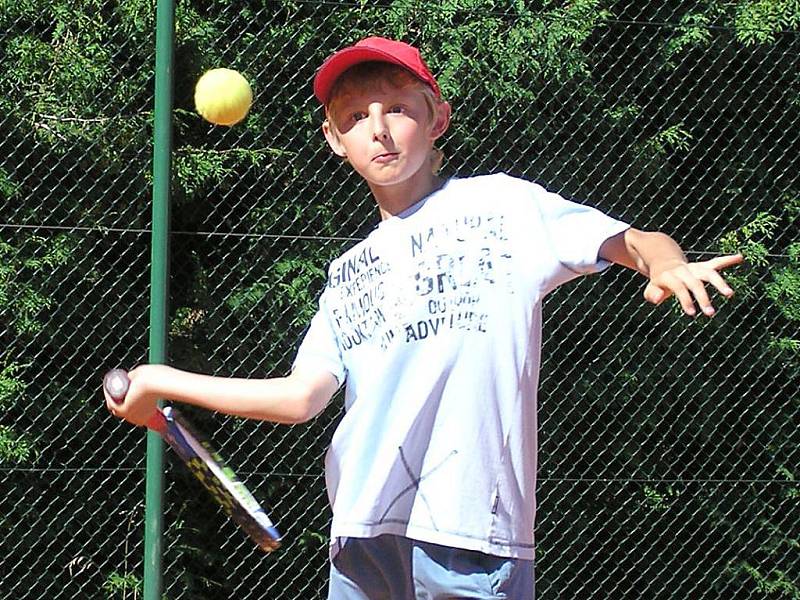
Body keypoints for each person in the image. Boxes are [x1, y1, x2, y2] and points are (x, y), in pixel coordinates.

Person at [105, 37, 743, 599]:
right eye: (355, 117)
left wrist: (664, 263)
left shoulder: (504, 204)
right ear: (334, 139)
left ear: (437, 118)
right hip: (361, 530)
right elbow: (299, 398)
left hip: (473, 524)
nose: (378, 129)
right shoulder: (346, 272)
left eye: (398, 109)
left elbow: (634, 240)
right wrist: (161, 380)